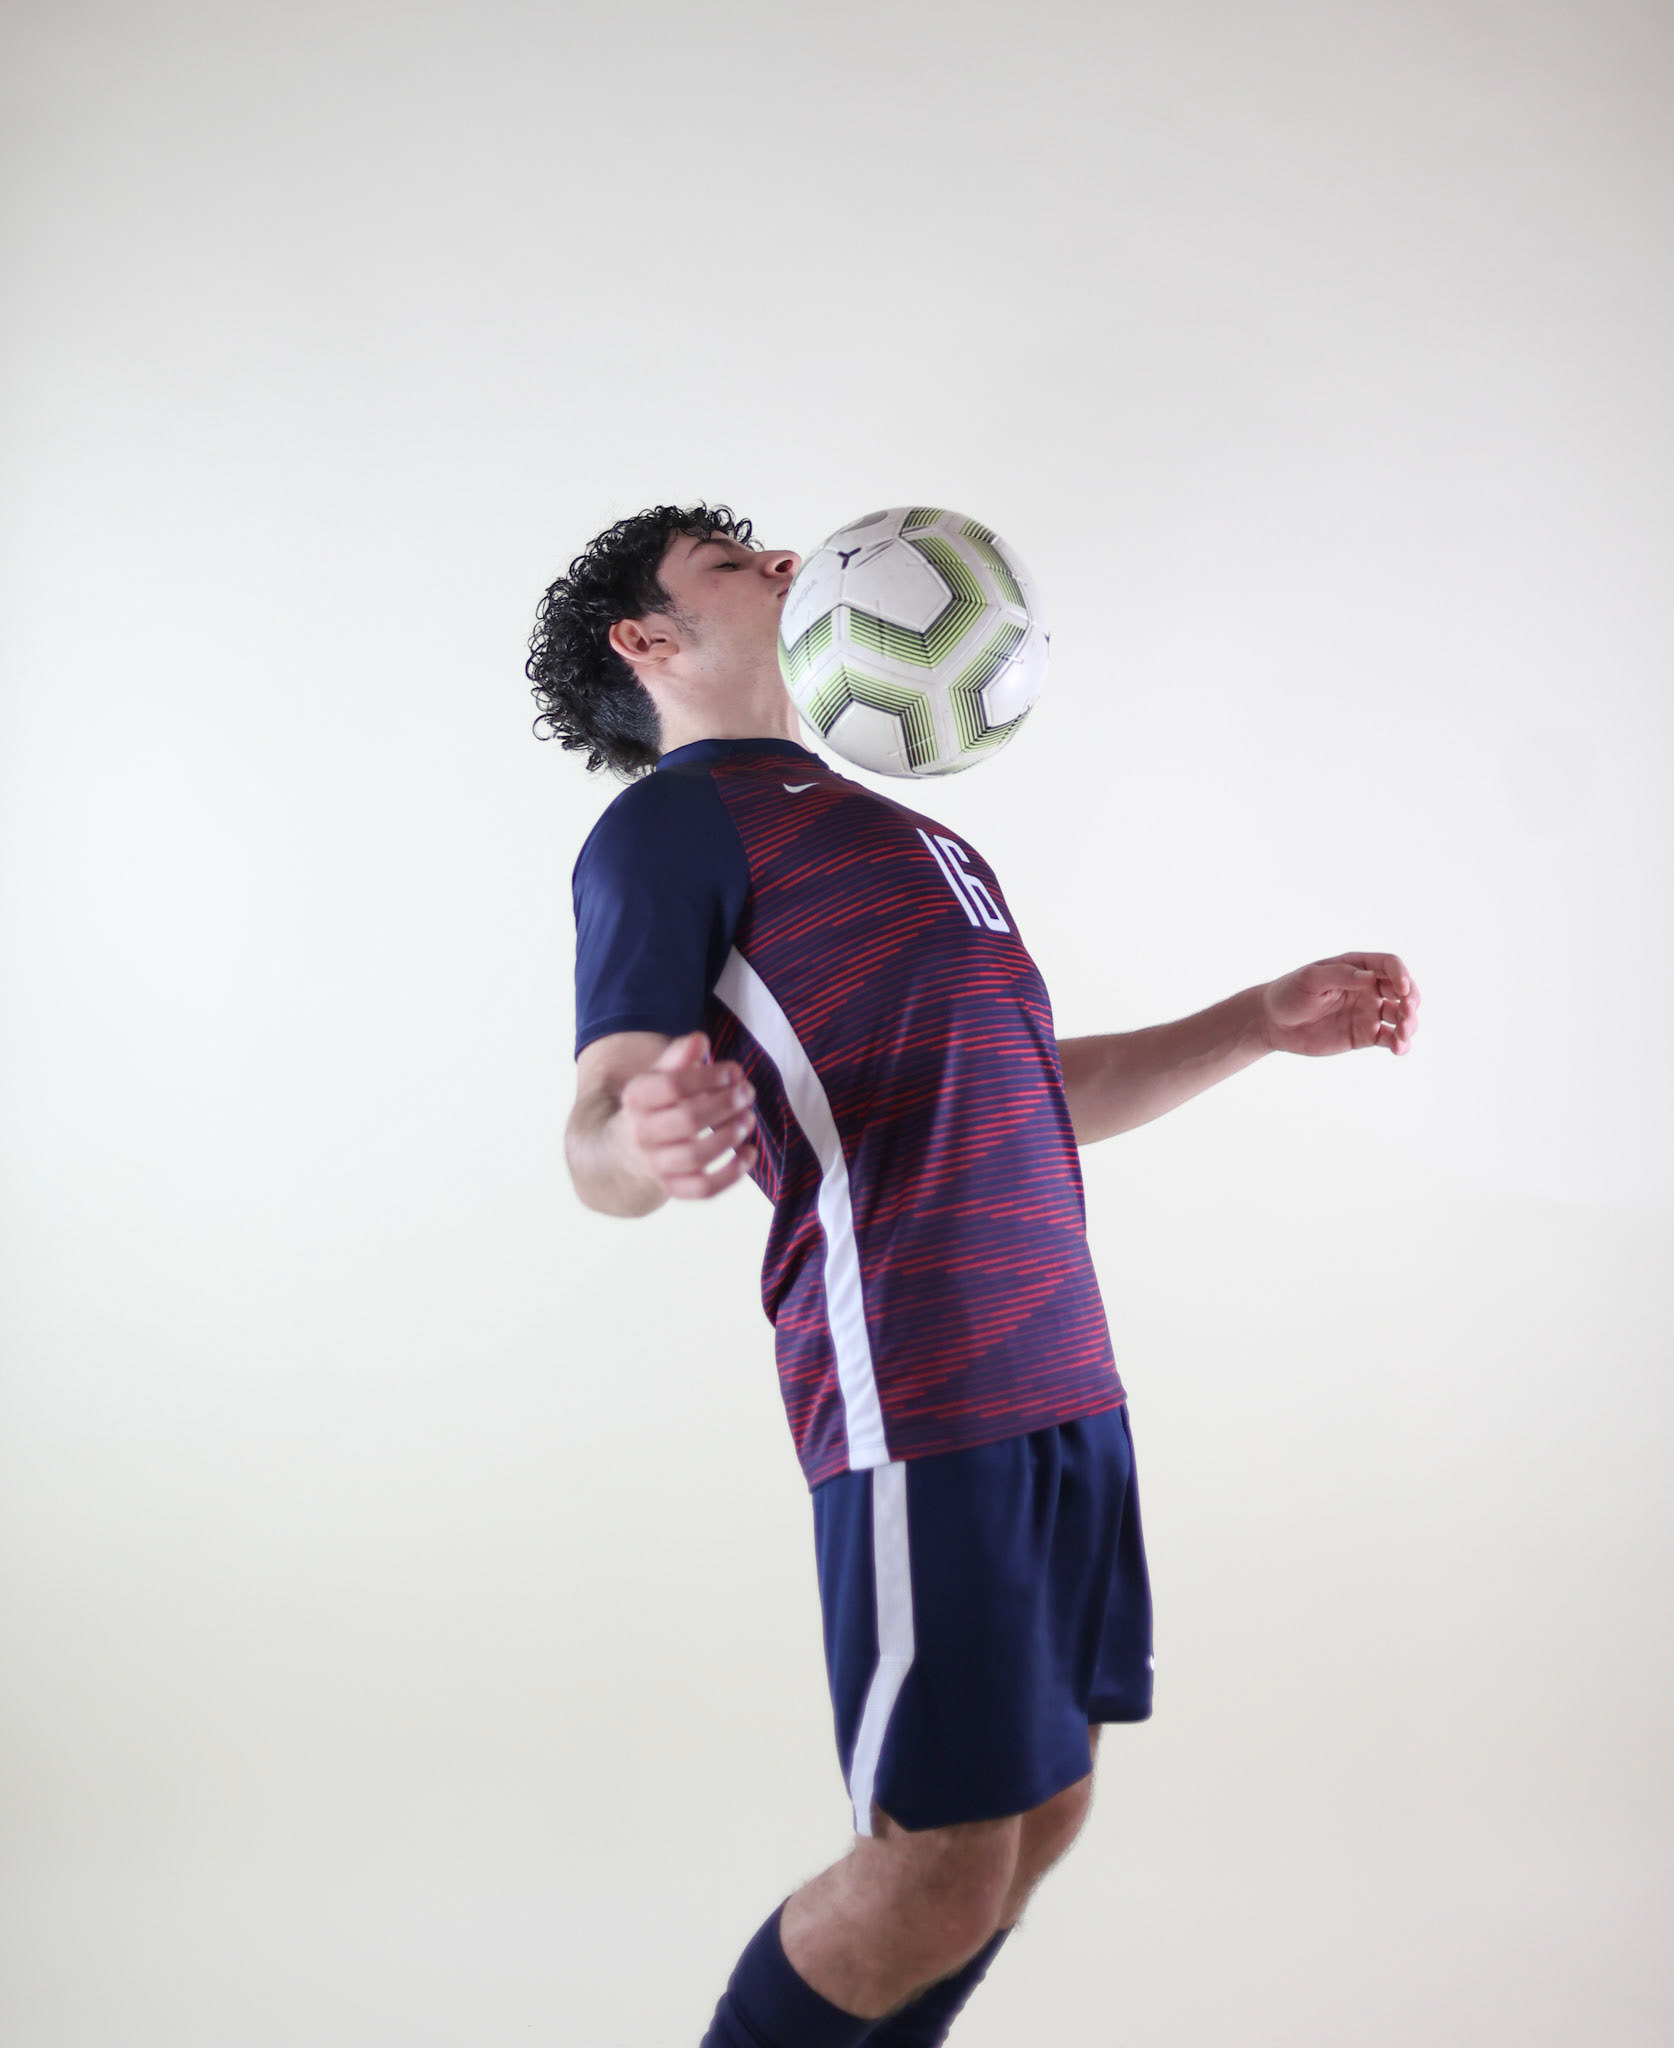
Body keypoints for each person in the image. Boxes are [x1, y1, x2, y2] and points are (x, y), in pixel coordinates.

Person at [528, 504, 1420, 2047]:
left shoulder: (900, 827)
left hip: (1060, 1368)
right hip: (917, 1376)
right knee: (935, 1860)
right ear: (646, 639)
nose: (784, 562)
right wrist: (642, 1137)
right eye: (732, 564)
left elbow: (1022, 1090)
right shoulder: (667, 829)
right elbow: (596, 1127)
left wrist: (1252, 1024)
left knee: (1041, 1812)